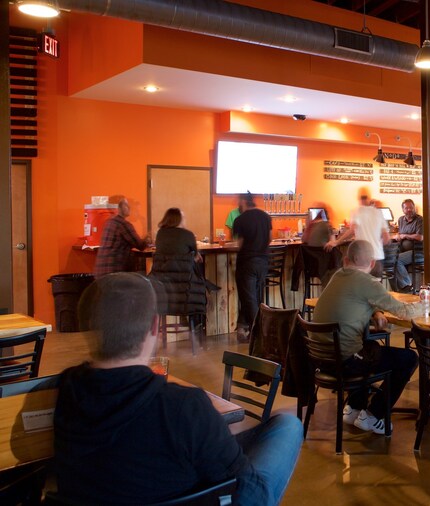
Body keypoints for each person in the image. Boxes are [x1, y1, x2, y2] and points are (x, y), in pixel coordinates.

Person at [54, 272, 302, 505]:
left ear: (85, 326)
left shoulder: (66, 389)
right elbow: (251, 493)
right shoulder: (184, 406)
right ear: (154, 326)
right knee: (288, 426)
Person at [312, 240, 425, 435]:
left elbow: (357, 300)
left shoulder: (337, 276)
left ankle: (354, 407)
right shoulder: (368, 282)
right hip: (346, 361)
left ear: (346, 260)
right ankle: (373, 415)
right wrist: (428, 303)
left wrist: (376, 312)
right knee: (409, 358)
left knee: (368, 346)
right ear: (372, 263)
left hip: (320, 359)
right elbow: (404, 312)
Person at [150, 208, 207, 317]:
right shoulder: (188, 234)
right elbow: (195, 255)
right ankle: (197, 325)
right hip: (186, 288)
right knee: (201, 279)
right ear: (178, 219)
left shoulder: (160, 234)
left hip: (162, 287)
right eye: (183, 217)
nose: (185, 220)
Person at [232, 193, 272, 341]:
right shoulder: (265, 217)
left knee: (249, 298)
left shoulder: (240, 220)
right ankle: (243, 328)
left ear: (243, 202)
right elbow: (270, 238)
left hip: (246, 262)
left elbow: (240, 244)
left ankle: (259, 334)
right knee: (252, 297)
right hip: (263, 263)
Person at [326, 188, 389, 278]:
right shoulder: (378, 212)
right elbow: (386, 238)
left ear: (359, 199)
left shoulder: (357, 212)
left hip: (363, 259)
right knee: (375, 288)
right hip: (378, 257)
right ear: (369, 198)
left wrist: (336, 242)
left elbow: (352, 230)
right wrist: (376, 243)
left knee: (361, 288)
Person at [94, 197, 148, 277]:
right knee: (143, 276)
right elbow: (141, 246)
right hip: (115, 273)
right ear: (118, 208)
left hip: (100, 272)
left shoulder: (109, 222)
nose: (129, 207)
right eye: (126, 205)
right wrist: (148, 238)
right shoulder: (123, 224)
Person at [392, 199, 424, 292]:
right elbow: (400, 233)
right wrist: (398, 235)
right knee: (390, 260)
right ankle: (398, 289)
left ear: (414, 208)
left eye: (411, 207)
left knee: (396, 260)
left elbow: (420, 237)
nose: (409, 210)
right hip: (404, 251)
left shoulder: (419, 220)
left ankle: (407, 285)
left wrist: (405, 236)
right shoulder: (401, 219)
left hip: (418, 252)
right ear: (403, 210)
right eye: (406, 208)